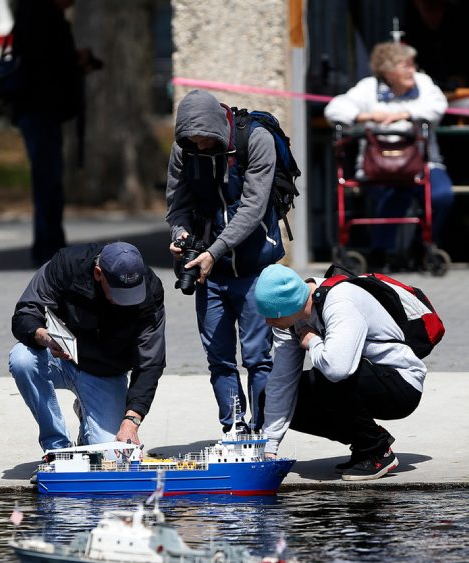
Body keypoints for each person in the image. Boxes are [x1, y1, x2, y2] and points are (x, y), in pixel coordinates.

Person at [166, 89, 285, 432]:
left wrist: (214, 251)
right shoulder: (183, 149)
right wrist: (180, 237)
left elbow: (252, 209)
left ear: (219, 129)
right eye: (192, 142)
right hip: (210, 273)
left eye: (205, 141)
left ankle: (264, 430)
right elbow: (177, 206)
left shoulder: (256, 140)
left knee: (257, 358)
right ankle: (234, 428)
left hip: (254, 268)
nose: (199, 147)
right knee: (218, 359)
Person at [255, 264, 426, 481]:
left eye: (272, 316)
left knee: (325, 377)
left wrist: (314, 342)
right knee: (269, 396)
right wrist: (270, 447)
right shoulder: (289, 321)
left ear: (291, 307)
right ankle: (367, 440)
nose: (267, 322)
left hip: (402, 384)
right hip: (361, 379)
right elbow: (282, 382)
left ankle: (377, 452)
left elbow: (337, 368)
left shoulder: (339, 301)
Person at [9, 241, 166, 452]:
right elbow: (25, 313)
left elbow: (151, 362)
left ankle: (88, 420)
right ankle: (56, 447)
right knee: (22, 359)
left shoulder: (151, 288)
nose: (125, 301)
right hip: (61, 358)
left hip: (105, 372)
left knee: (110, 454)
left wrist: (131, 421)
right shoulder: (65, 265)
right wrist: (45, 337)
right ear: (98, 273)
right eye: (119, 292)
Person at [324, 41, 454, 266]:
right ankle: (380, 251)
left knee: (441, 195)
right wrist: (367, 116)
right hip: (378, 166)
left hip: (422, 164)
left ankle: (422, 245)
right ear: (387, 71)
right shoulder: (368, 88)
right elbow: (334, 109)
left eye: (413, 64)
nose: (412, 70)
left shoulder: (423, 84)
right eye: (406, 66)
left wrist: (404, 113)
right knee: (395, 194)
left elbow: (437, 106)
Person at [11, 0, 101, 267]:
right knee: (47, 181)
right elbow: (45, 63)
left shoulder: (40, 15)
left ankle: (50, 245)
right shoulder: (41, 16)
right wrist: (75, 62)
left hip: (40, 110)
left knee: (49, 181)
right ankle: (48, 248)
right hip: (39, 109)